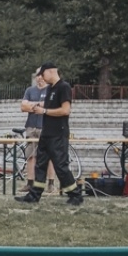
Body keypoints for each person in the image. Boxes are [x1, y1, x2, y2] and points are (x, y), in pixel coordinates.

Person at [17, 62, 81, 207]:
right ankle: (34, 195)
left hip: (58, 134)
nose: (42, 78)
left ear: (51, 72)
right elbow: (46, 107)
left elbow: (65, 110)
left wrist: (45, 111)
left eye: (43, 75)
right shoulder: (50, 88)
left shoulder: (63, 87)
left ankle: (75, 195)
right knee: (40, 164)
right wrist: (38, 107)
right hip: (46, 133)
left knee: (60, 166)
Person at [19, 69, 48, 180]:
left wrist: (31, 105)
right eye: (37, 75)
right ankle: (30, 182)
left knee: (48, 157)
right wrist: (39, 105)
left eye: (41, 75)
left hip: (45, 126)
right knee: (30, 156)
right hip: (31, 126)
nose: (39, 77)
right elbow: (23, 107)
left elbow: (50, 105)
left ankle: (50, 183)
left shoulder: (51, 90)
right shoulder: (29, 90)